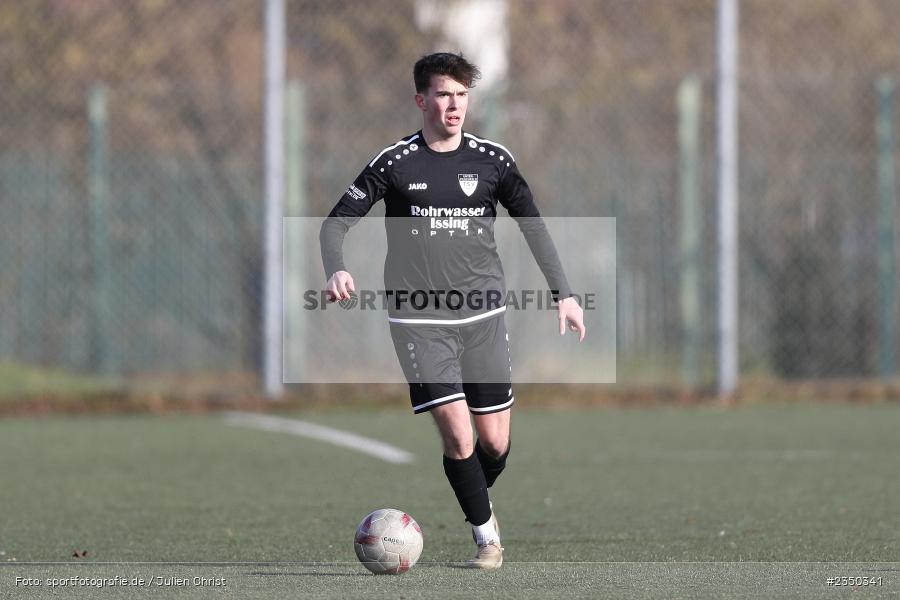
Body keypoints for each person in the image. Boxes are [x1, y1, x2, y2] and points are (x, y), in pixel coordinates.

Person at [320, 52, 585, 569]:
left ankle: (472, 494)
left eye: (462, 95)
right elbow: (335, 223)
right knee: (459, 435)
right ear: (421, 100)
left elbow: (532, 225)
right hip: (419, 320)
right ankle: (487, 540)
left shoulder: (493, 161)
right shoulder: (395, 163)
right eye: (443, 94)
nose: (454, 104)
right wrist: (336, 268)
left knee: (494, 444)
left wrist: (565, 294)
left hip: (483, 317)